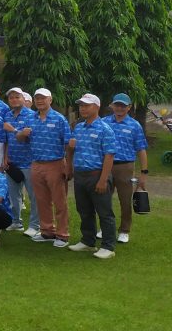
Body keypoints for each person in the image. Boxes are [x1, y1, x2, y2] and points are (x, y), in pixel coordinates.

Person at [66, 94, 118, 259]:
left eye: (86, 105)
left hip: (97, 175)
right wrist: (70, 160)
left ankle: (108, 246)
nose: (82, 108)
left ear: (96, 107)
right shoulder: (78, 128)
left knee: (104, 212)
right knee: (84, 210)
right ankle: (88, 241)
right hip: (80, 175)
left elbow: (109, 156)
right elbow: (73, 150)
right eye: (81, 105)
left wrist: (103, 180)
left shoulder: (105, 129)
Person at [23, 88, 72, 247]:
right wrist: (22, 134)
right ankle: (47, 231)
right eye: (37, 98)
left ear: (50, 100)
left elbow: (68, 143)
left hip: (55, 163)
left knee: (59, 201)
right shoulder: (31, 119)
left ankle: (62, 235)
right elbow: (22, 138)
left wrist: (68, 165)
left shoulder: (59, 119)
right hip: (37, 164)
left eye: (43, 98)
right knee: (42, 200)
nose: (39, 101)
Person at [102, 93, 149, 244]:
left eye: (123, 106)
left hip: (125, 166)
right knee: (103, 199)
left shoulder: (134, 125)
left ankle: (124, 230)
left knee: (125, 200)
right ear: (112, 106)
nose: (119, 108)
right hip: (105, 165)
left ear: (128, 108)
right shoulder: (103, 122)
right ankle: (105, 227)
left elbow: (141, 150)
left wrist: (144, 173)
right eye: (117, 105)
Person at [1, 87, 38, 236]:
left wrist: (14, 130)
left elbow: (26, 137)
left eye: (17, 97)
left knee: (33, 196)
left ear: (23, 99)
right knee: (13, 195)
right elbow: (7, 140)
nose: (14, 100)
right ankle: (16, 222)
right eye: (11, 98)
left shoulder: (32, 115)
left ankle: (35, 225)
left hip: (29, 162)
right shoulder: (7, 115)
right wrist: (5, 157)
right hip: (12, 162)